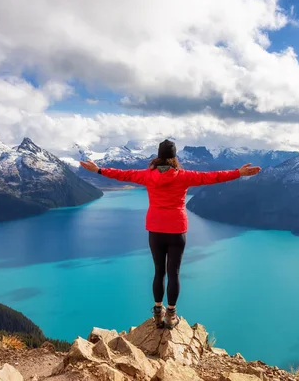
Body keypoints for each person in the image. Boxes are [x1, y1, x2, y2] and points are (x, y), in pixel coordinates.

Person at [80, 139, 261, 329]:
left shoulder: (147, 176)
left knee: (159, 271)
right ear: (174, 157)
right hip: (177, 229)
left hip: (155, 229)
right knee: (174, 273)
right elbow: (212, 177)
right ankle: (171, 315)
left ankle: (158, 314)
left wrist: (98, 170)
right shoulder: (184, 176)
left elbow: (123, 175)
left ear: (158, 157)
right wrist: (238, 173)